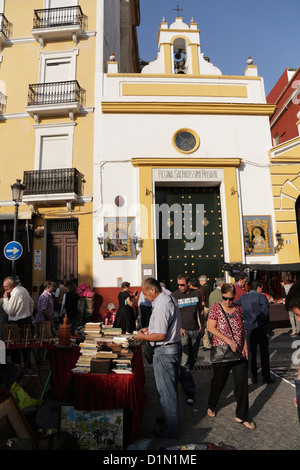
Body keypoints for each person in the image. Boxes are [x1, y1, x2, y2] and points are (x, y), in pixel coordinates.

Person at [136, 277, 182, 439]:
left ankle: (171, 430)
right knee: (169, 390)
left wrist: (141, 338)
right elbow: (164, 326)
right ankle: (169, 420)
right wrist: (150, 329)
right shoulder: (167, 299)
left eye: (145, 293)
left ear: (153, 290)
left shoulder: (162, 305)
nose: (144, 297)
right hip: (172, 349)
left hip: (164, 351)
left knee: (166, 392)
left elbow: (161, 335)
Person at [207, 283, 255, 430]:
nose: (228, 301)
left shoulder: (238, 308)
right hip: (222, 352)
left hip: (239, 352)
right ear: (221, 295)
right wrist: (228, 340)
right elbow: (210, 327)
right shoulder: (216, 308)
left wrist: (245, 344)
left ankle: (242, 416)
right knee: (218, 382)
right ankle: (212, 404)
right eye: (225, 298)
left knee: (242, 384)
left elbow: (241, 328)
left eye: (231, 298)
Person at [172, 274, 204, 405]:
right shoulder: (174, 296)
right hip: (183, 333)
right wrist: (178, 327)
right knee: (184, 363)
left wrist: (203, 326)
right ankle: (190, 391)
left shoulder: (197, 293)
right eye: (178, 284)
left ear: (188, 283)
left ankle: (182, 380)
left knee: (192, 360)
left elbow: (200, 310)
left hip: (195, 331)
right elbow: (171, 314)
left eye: (182, 285)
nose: (179, 287)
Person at [236, 280, 274, 384]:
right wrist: (263, 322)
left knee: (251, 353)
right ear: (258, 287)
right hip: (260, 327)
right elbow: (265, 311)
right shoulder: (261, 297)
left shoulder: (243, 297)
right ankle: (266, 377)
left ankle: (253, 376)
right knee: (264, 353)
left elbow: (236, 307)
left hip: (248, 328)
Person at [2, 276, 34, 364]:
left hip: (16, 323)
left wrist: (5, 299)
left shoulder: (16, 293)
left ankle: (18, 369)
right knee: (26, 347)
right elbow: (31, 302)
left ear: (13, 285)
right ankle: (27, 367)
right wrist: (28, 312)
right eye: (4, 286)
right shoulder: (24, 289)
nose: (5, 289)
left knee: (15, 348)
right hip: (26, 320)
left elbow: (10, 311)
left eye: (6, 286)